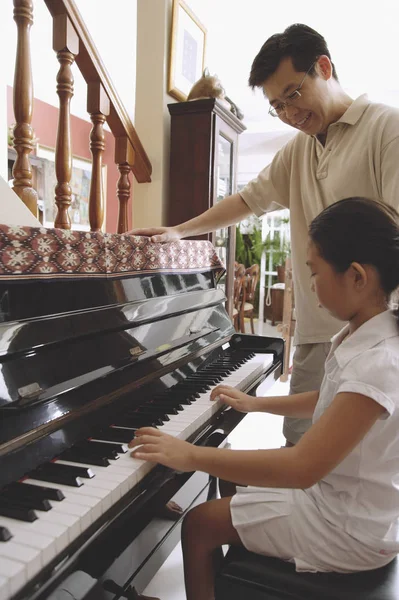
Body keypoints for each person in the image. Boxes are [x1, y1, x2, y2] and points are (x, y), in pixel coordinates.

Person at [130, 23, 399, 446]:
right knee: (298, 443)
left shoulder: (387, 129)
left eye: (293, 94)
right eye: (277, 106)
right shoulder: (298, 149)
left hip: (375, 331)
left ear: (324, 67)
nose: (290, 114)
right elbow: (249, 200)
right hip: (314, 328)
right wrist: (180, 231)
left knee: (355, 460)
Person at [129, 197, 399, 600]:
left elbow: (302, 467)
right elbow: (329, 400)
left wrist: (188, 454)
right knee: (229, 475)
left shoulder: (377, 359)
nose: (311, 285)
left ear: (357, 277)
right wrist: (255, 403)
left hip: (348, 528)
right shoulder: (372, 333)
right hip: (355, 507)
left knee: (199, 524)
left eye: (314, 272)